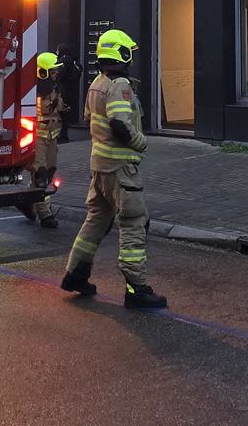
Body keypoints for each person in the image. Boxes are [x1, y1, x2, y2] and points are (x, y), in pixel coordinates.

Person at [60, 28, 167, 309]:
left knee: (96, 220)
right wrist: (141, 142)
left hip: (99, 167)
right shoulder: (120, 85)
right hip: (121, 169)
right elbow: (120, 124)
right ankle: (137, 289)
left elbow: (89, 118)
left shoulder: (96, 83)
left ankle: (75, 274)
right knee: (134, 221)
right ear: (122, 54)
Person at [28, 51, 64, 228]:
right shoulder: (34, 92)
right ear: (43, 72)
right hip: (39, 137)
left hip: (52, 136)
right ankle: (45, 213)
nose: (56, 74)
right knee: (40, 174)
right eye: (53, 71)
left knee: (49, 172)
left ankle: (26, 202)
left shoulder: (55, 89)